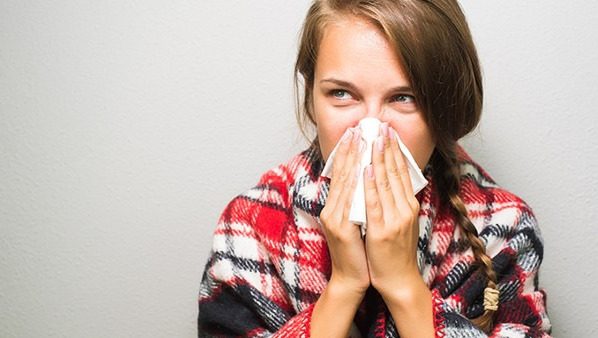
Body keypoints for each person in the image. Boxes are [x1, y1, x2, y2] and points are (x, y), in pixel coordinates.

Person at [197, 0, 551, 336]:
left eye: (403, 98)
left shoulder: (503, 227)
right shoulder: (251, 225)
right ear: (311, 98)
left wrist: (403, 285)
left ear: (444, 109)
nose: (370, 129)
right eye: (341, 93)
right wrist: (344, 286)